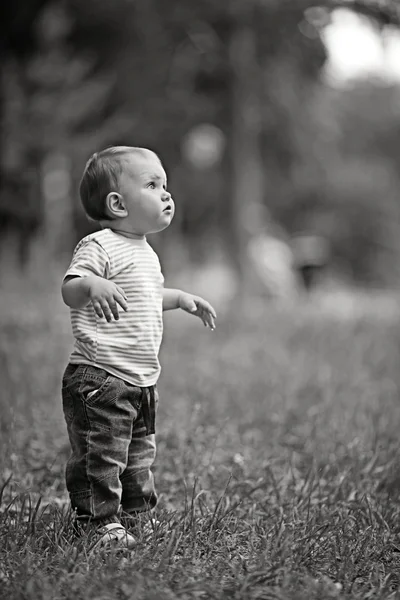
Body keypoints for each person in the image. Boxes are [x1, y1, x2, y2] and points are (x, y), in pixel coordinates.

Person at [61, 146, 216, 551]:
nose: (166, 194)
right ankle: (97, 523)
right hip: (101, 375)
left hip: (140, 378)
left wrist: (179, 297)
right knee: (102, 453)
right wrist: (92, 285)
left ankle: (134, 513)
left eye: (165, 185)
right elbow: (71, 289)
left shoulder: (145, 251)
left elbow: (144, 295)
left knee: (137, 451)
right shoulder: (100, 245)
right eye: (152, 185)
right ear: (117, 203)